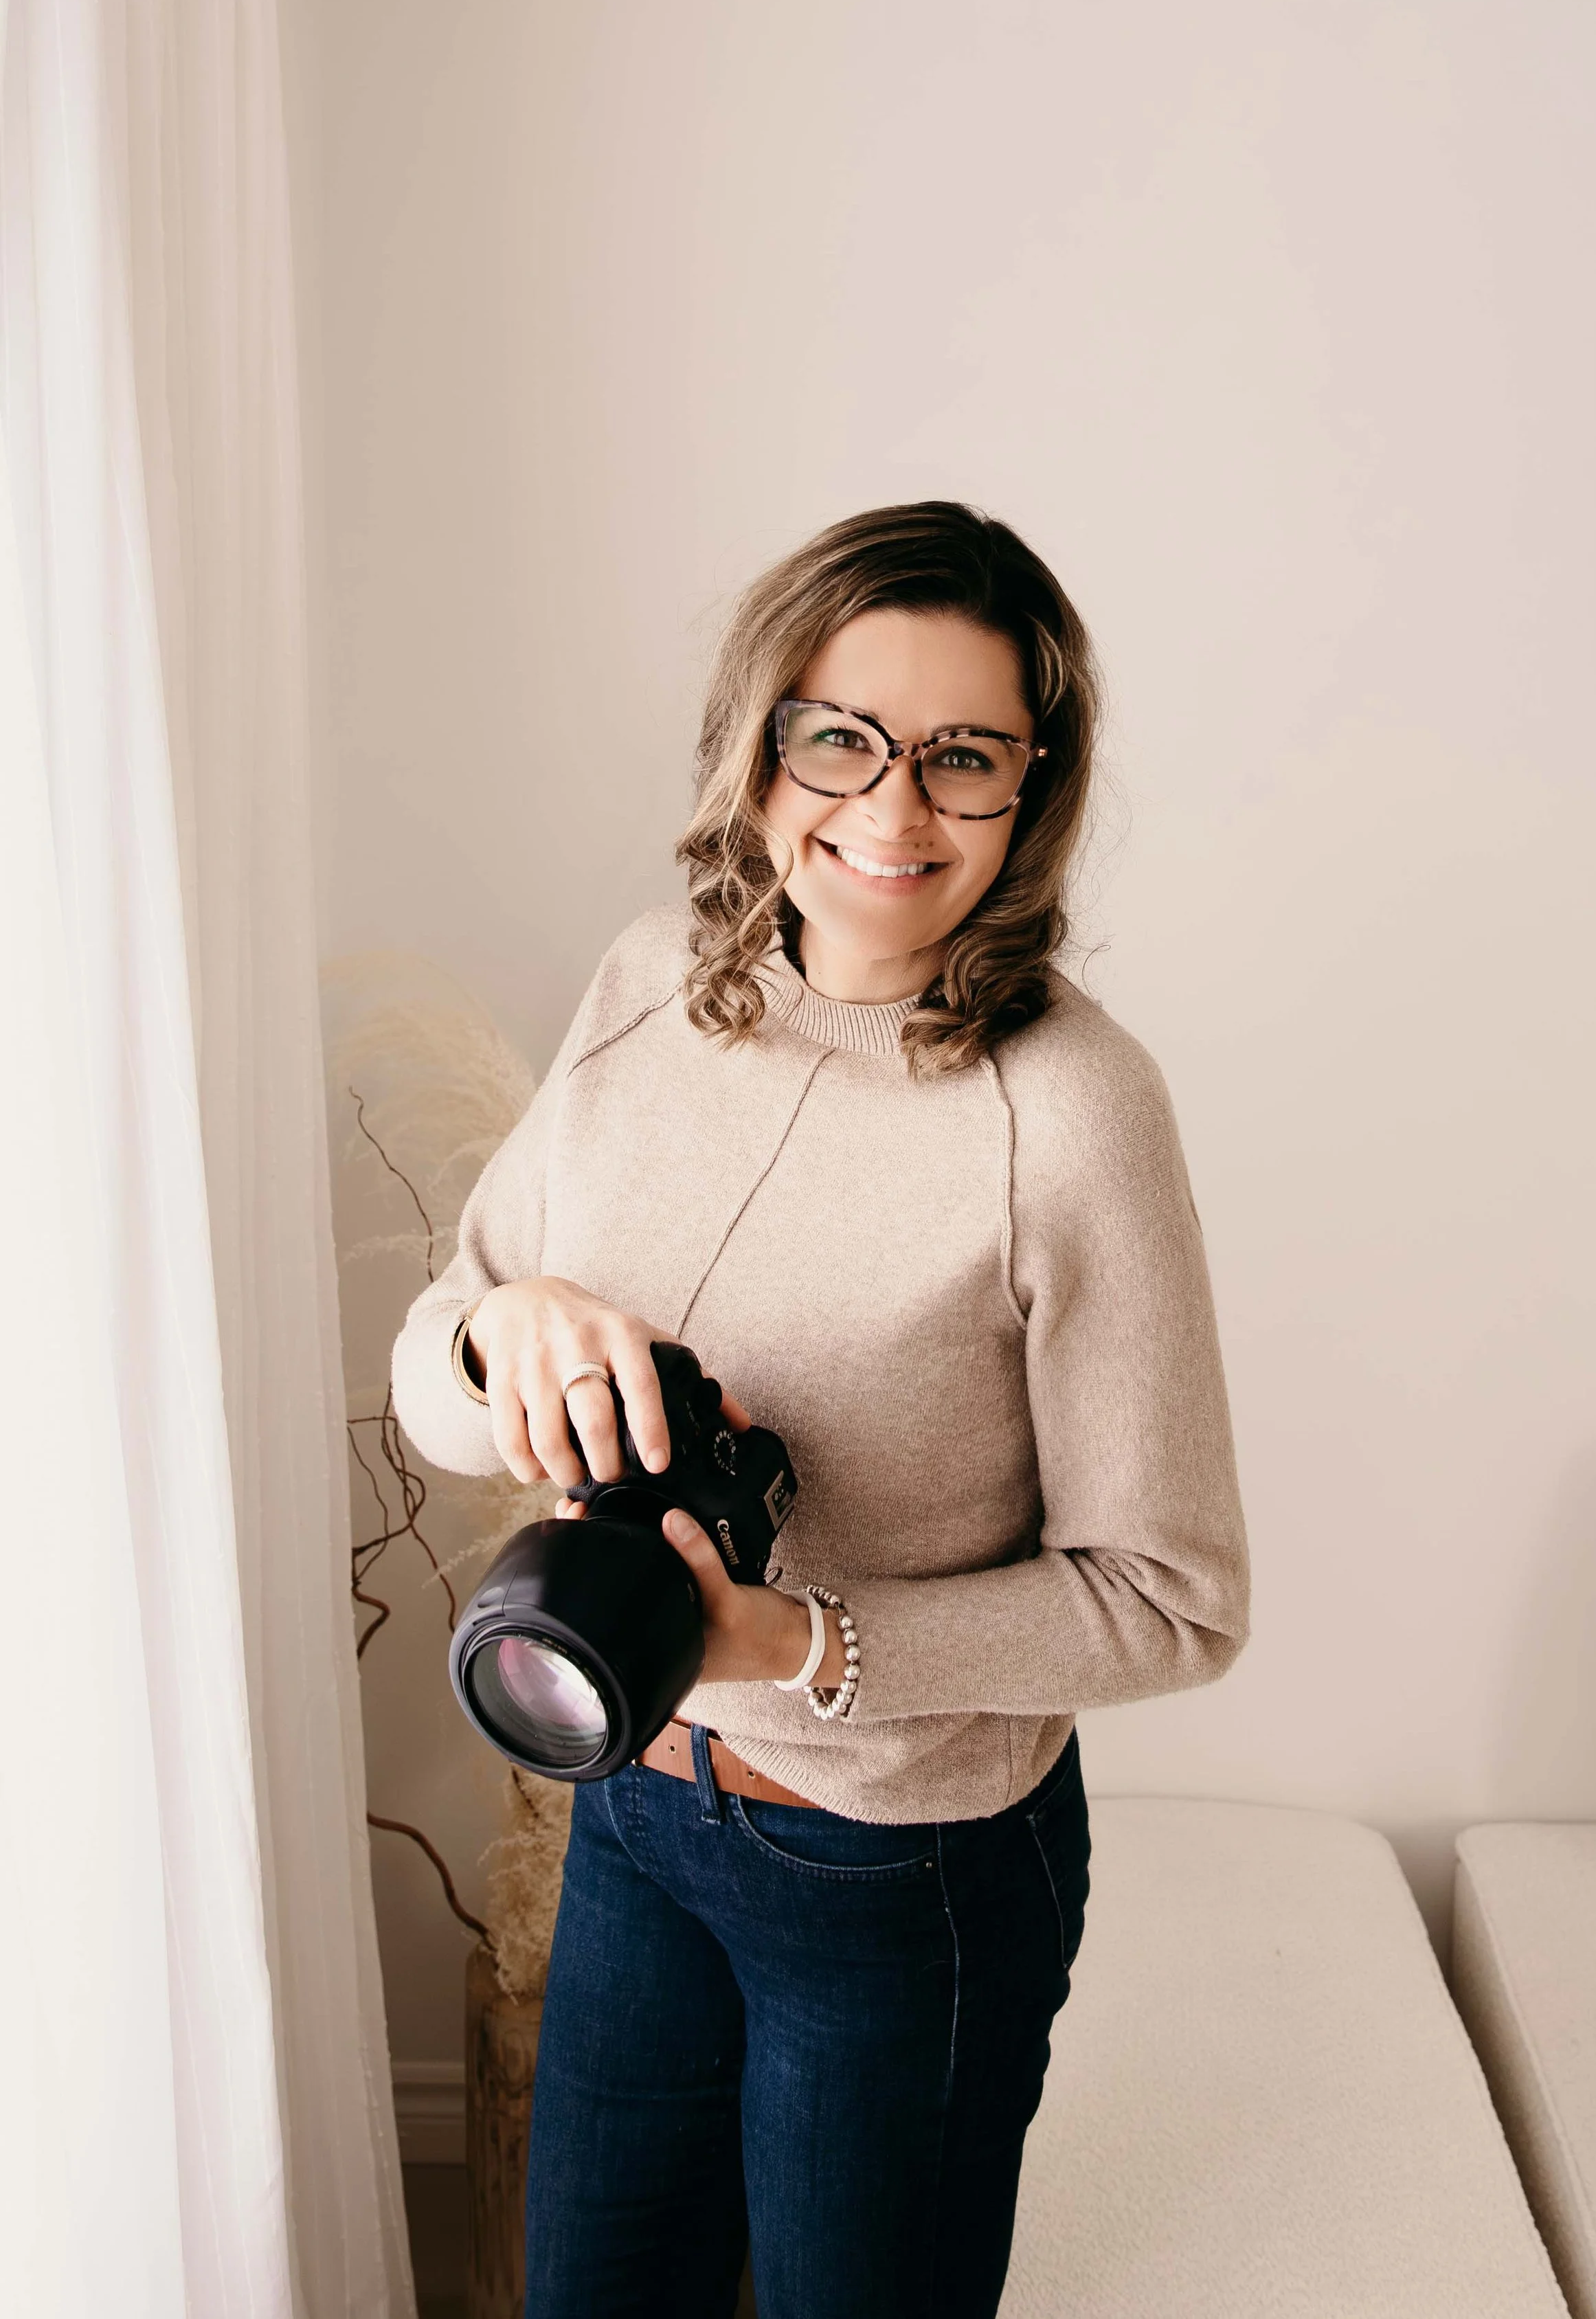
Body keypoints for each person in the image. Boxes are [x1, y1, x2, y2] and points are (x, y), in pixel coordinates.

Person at [392, 500, 1251, 2319]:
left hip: (896, 1870)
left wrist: (791, 1633)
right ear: (761, 736)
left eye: (963, 757)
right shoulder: (651, 982)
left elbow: (1172, 1595)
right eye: (841, 736)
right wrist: (504, 1328)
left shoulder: (1073, 1109)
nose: (890, 810)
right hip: (626, 1797)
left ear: (1038, 784)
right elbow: (438, 1375)